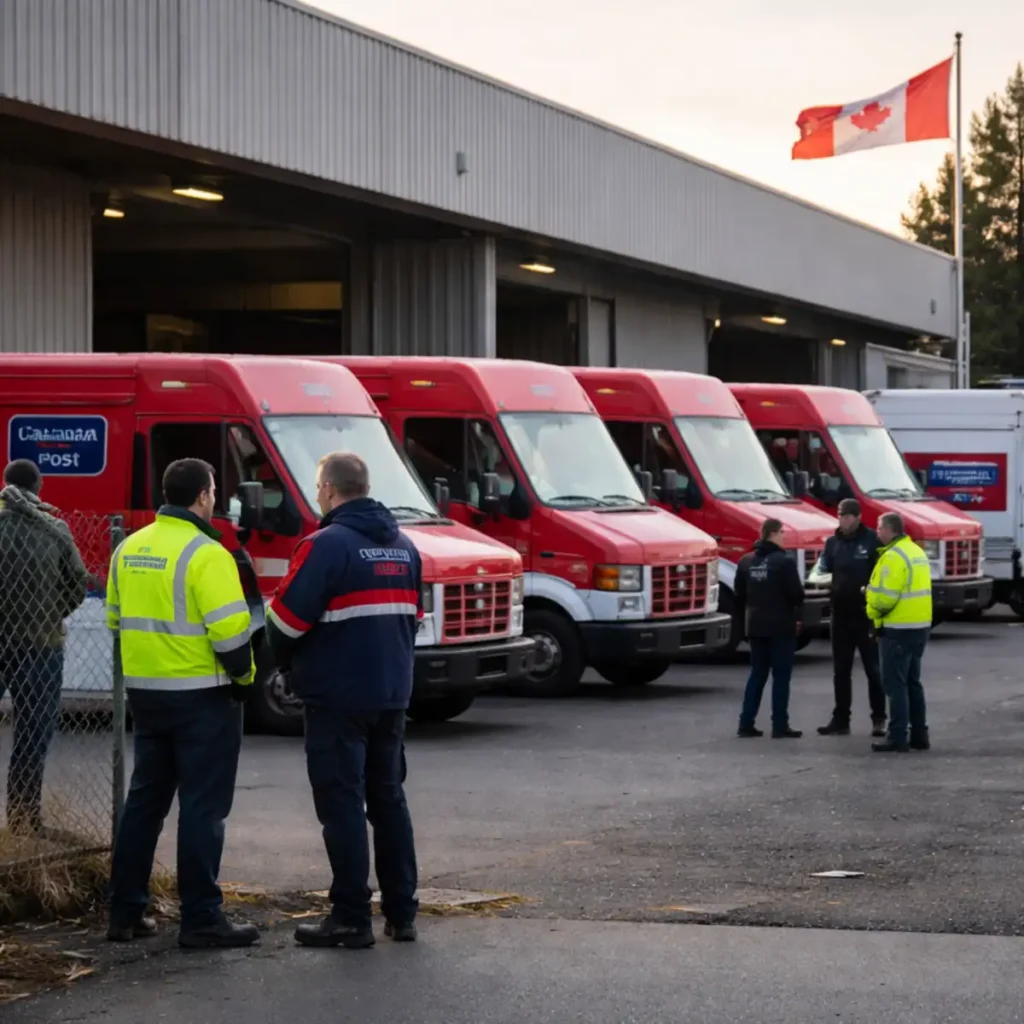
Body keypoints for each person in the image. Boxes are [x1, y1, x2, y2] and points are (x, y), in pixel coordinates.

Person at [266, 451, 421, 950]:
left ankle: (351, 916)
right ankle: (402, 913)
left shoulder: (325, 546)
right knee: (389, 801)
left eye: (318, 487)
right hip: (391, 694)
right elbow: (410, 619)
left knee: (342, 806)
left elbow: (286, 622)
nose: (317, 496)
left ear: (330, 489)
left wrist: (279, 661)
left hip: (336, 697)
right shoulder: (404, 547)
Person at [105, 458, 259, 948]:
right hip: (203, 699)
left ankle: (124, 913)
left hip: (146, 697)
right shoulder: (207, 553)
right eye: (213, 491)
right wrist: (246, 678)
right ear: (203, 496)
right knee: (202, 809)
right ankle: (201, 919)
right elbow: (233, 639)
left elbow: (114, 620)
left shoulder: (128, 548)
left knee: (144, 806)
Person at [0, 459, 89, 836]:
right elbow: (78, 584)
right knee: (33, 730)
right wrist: (50, 613)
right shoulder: (53, 529)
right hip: (39, 642)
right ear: (39, 488)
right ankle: (23, 820)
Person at [814, 499, 887, 738]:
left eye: (846, 516)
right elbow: (821, 571)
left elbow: (881, 575)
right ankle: (840, 719)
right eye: (839, 515)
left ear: (857, 517)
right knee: (841, 670)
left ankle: (879, 719)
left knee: (873, 669)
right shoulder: (832, 543)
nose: (842, 520)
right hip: (840, 614)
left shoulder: (872, 542)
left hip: (866, 615)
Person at [866, 512, 932, 754]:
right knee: (913, 682)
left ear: (889, 529)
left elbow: (885, 598)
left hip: (897, 628)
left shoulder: (893, 557)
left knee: (895, 685)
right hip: (920, 626)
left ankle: (897, 736)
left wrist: (869, 603)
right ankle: (919, 735)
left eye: (879, 527)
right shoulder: (916, 551)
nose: (876, 532)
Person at [736, 518, 804, 739]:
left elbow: (740, 594)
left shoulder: (746, 561)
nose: (784, 536)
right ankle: (780, 725)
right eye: (782, 532)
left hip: (756, 625)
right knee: (781, 677)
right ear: (773, 534)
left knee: (757, 674)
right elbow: (796, 594)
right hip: (781, 626)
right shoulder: (783, 562)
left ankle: (746, 723)